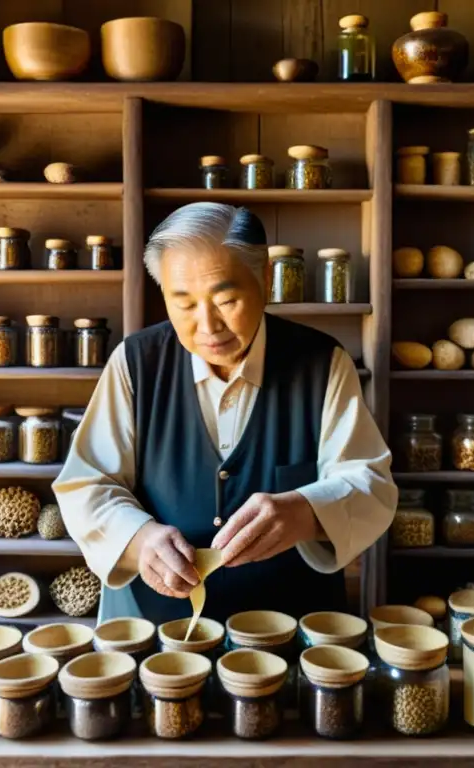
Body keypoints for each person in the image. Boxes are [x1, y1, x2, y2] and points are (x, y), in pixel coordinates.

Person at [54, 202, 396, 624]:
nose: (207, 325)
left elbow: (370, 483)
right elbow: (86, 483)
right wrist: (139, 539)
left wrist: (305, 511)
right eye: (183, 304)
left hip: (289, 629)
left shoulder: (322, 363)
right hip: (151, 630)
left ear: (265, 279)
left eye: (226, 300)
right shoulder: (135, 363)